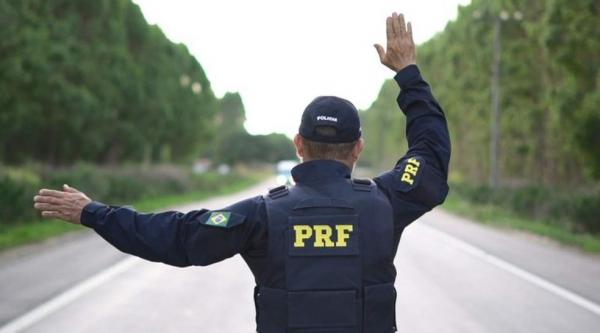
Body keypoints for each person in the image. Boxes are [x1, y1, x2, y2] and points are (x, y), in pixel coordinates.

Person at [33, 12, 450, 333]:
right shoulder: (386, 202)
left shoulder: (262, 215)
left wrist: (93, 212)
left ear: (298, 146)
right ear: (358, 148)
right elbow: (429, 152)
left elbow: (177, 238)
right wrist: (407, 73)